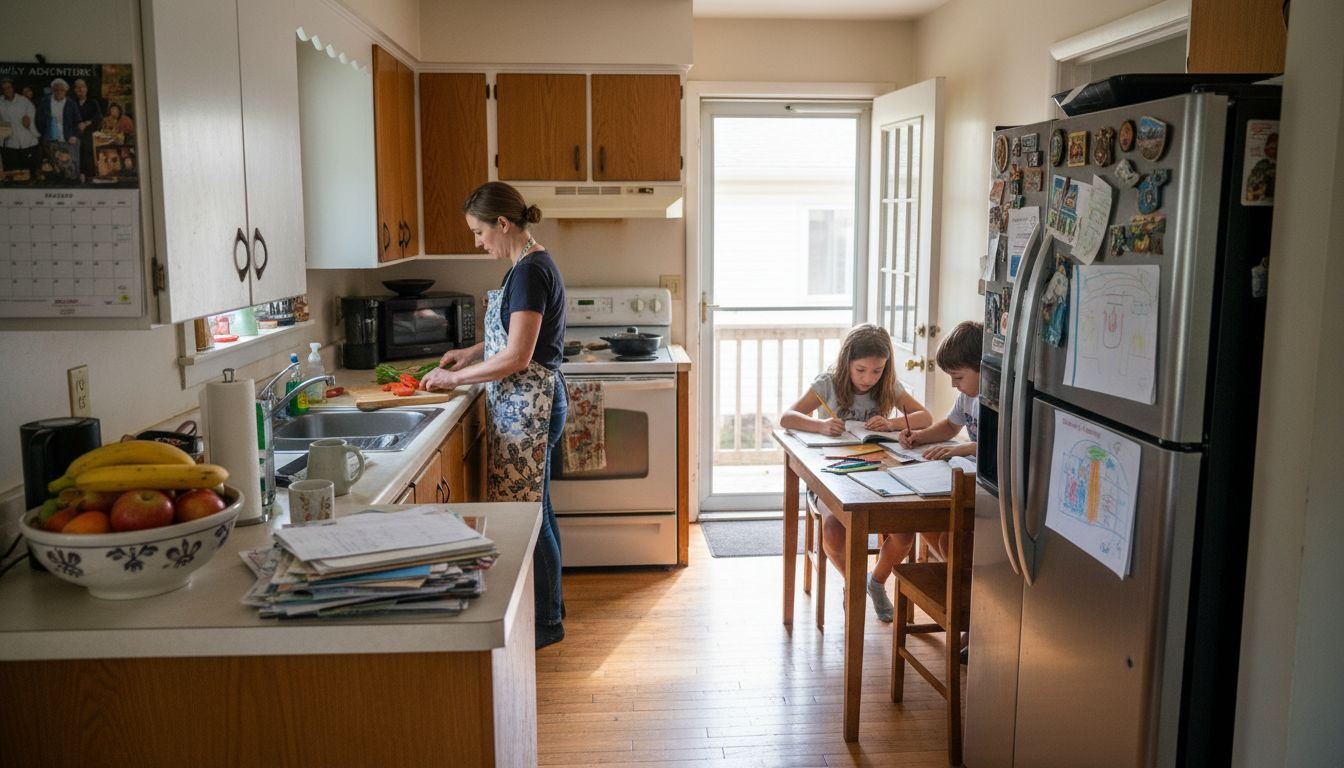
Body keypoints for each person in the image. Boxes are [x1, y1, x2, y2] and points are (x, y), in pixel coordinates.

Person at [420, 181, 569, 650]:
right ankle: (550, 614)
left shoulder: (528, 271)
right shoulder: (525, 265)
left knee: (528, 516)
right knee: (537, 511)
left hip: (532, 405)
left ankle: (546, 623)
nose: (478, 242)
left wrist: (455, 380)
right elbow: (512, 339)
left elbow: (519, 357)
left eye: (479, 232)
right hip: (528, 405)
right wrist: (470, 354)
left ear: (502, 224)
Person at [779, 324, 933, 622]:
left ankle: (875, 583)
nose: (868, 379)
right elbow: (788, 417)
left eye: (877, 371)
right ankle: (854, 581)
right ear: (846, 361)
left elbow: (924, 417)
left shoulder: (888, 387)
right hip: (832, 474)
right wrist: (821, 426)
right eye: (860, 370)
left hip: (880, 473)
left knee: (904, 532)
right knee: (834, 532)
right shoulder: (828, 384)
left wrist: (891, 424)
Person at [898, 320, 983, 563]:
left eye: (958, 377)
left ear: (983, 368)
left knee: (947, 536)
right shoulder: (967, 397)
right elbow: (950, 425)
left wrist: (960, 449)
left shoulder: (994, 399)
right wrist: (920, 436)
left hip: (985, 484)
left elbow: (1002, 447)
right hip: (967, 473)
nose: (954, 385)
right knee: (924, 519)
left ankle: (957, 583)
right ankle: (952, 576)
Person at [35, 78, 81, 181]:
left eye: (62, 90)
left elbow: (78, 122)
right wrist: (45, 133)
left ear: (66, 91)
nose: (59, 92)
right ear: (52, 90)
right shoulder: (45, 102)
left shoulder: (71, 103)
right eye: (56, 90)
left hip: (68, 139)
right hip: (51, 140)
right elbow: (38, 120)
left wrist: (74, 135)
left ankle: (71, 183)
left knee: (69, 167)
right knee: (55, 167)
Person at [0, 77, 40, 177]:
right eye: (4, 88)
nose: (7, 90)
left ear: (13, 88)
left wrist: (29, 122)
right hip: (9, 144)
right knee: (13, 174)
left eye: (9, 87)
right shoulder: (0, 102)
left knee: (30, 174)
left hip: (28, 142)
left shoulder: (24, 101)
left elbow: (33, 118)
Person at [72, 78, 102, 181]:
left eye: (82, 86)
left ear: (86, 89)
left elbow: (99, 119)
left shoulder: (93, 102)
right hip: (74, 135)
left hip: (88, 136)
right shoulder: (71, 103)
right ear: (75, 90)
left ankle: (88, 177)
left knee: (87, 150)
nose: (80, 89)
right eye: (77, 87)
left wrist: (87, 122)